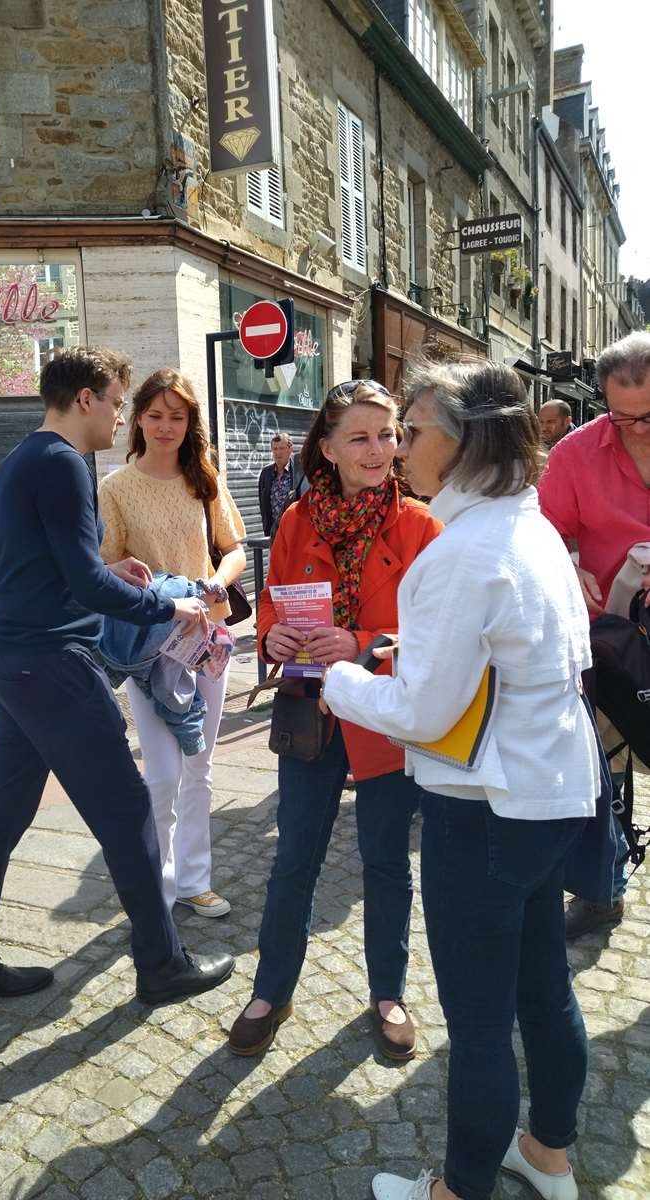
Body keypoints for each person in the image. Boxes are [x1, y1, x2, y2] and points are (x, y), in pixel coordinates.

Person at [320, 360, 601, 1200]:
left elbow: (420, 711)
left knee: (480, 1022)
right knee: (543, 990)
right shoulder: (532, 525)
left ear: (464, 437)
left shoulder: (461, 551)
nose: (400, 449)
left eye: (411, 431)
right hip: (550, 791)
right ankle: (548, 1156)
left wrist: (335, 681)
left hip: (481, 808)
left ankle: (459, 1189)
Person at [0, 347, 234, 1008]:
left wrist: (118, 575)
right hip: (50, 665)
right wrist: (169, 603)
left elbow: (63, 572)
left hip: (10, 657)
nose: (120, 416)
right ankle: (161, 966)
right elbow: (80, 579)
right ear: (85, 399)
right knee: (130, 807)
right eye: (116, 401)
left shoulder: (27, 459)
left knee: (3, 815)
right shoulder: (63, 464)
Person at [227, 380, 442, 1061]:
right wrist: (273, 639)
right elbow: (271, 604)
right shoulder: (297, 520)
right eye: (360, 436)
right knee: (294, 859)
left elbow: (435, 631)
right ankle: (271, 990)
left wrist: (365, 642)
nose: (379, 449)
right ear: (328, 447)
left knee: (385, 863)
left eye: (388, 435)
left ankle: (389, 993)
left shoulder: (421, 525)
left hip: (383, 717)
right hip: (310, 714)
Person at [99, 368, 246, 918]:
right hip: (149, 647)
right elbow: (104, 564)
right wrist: (125, 575)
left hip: (206, 639)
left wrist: (214, 585)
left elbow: (233, 549)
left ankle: (194, 880)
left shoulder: (203, 477)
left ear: (191, 424)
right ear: (138, 419)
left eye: (177, 417)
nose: (166, 426)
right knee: (160, 773)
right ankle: (155, 888)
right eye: (156, 415)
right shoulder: (114, 487)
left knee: (200, 765)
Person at [539, 331, 650, 939]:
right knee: (602, 768)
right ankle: (602, 888)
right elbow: (542, 529)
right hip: (610, 637)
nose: (634, 429)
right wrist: (567, 560)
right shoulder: (577, 453)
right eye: (620, 415)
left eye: (648, 416)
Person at [258, 432, 305, 537]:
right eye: (275, 449)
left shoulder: (300, 471)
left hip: (296, 531)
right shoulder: (266, 473)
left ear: (290, 449)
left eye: (282, 448)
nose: (278, 452)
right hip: (274, 533)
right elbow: (263, 505)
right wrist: (267, 530)